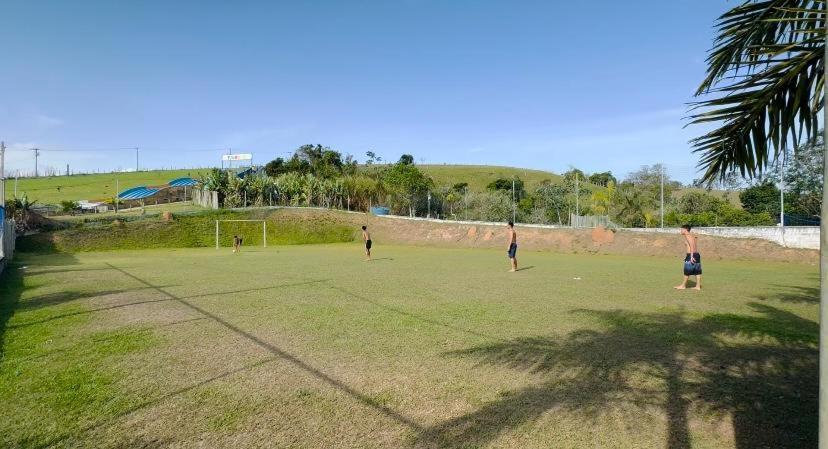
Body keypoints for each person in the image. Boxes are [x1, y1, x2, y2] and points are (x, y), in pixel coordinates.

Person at [674, 224, 702, 290]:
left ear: (685, 229)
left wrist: (691, 256)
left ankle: (683, 286)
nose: (680, 231)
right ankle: (698, 286)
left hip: (692, 255)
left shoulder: (687, 236)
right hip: (696, 254)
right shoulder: (691, 236)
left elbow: (692, 246)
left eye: (681, 229)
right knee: (697, 271)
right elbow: (694, 243)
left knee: (687, 271)